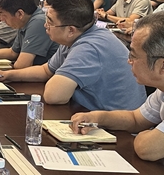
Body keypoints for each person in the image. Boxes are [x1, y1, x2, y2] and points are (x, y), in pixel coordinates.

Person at [0, 0, 145, 110]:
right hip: (93, 114)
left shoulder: (89, 47)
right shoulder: (77, 36)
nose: (45, 26)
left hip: (118, 130)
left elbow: (54, 96)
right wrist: (8, 75)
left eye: (50, 22)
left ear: (70, 30)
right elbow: (46, 70)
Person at [70, 13, 164, 162]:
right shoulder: (161, 91)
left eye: (133, 56)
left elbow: (147, 149)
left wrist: (145, 136)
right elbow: (135, 120)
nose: (128, 61)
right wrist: (96, 118)